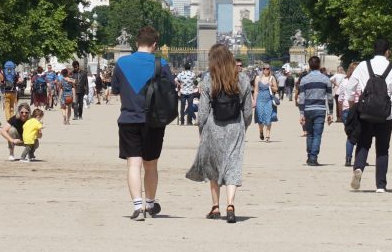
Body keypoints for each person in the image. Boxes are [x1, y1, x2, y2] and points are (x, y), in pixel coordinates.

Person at [185, 44, 254, 223]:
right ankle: (230, 204)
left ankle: (215, 207)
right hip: (235, 126)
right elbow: (247, 111)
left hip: (214, 126)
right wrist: (243, 126)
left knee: (213, 166)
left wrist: (201, 130)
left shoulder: (209, 80)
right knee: (233, 165)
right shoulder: (243, 78)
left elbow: (203, 112)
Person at [113, 26, 174, 220]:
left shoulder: (122, 63)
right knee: (151, 165)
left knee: (133, 164)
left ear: (136, 42)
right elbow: (169, 91)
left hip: (129, 118)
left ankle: (137, 205)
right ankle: (150, 203)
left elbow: (115, 90)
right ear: (155, 44)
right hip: (153, 121)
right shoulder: (161, 64)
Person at [349, 38, 392, 193]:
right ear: (388, 52)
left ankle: (359, 167)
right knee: (382, 149)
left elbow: (350, 88)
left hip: (365, 112)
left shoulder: (363, 66)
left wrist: (352, 104)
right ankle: (381, 185)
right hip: (386, 114)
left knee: (363, 143)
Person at [297, 56, 330, 166]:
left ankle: (309, 156)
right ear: (319, 65)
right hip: (320, 110)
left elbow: (301, 98)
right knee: (317, 134)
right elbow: (329, 98)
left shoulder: (304, 79)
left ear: (309, 65)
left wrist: (301, 113)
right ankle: (313, 157)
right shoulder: (326, 79)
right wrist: (331, 113)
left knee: (310, 134)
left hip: (308, 110)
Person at [336, 62, 361, 167]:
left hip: (347, 110)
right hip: (360, 110)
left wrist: (340, 113)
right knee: (362, 134)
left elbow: (340, 98)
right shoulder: (363, 82)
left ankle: (348, 158)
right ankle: (360, 157)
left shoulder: (344, 81)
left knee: (350, 135)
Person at [253, 64, 279, 142]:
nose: (265, 70)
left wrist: (271, 86)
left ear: (269, 69)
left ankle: (268, 135)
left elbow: (276, 89)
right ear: (262, 69)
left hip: (269, 100)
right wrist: (254, 101)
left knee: (268, 117)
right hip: (260, 99)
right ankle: (261, 131)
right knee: (260, 117)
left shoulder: (272, 78)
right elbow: (256, 90)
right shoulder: (258, 78)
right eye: (264, 68)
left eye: (267, 68)